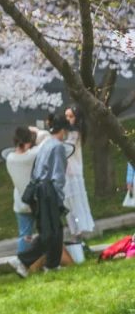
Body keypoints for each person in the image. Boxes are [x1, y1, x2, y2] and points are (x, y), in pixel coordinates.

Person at [13, 116, 70, 277]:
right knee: (49, 231)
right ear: (63, 130)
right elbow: (58, 175)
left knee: (55, 229)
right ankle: (23, 260)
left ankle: (52, 265)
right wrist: (59, 197)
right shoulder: (58, 147)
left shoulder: (46, 145)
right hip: (49, 190)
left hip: (39, 189)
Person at [1, 126, 47, 254]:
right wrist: (37, 131)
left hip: (20, 202)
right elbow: (48, 140)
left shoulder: (9, 158)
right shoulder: (33, 155)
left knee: (24, 235)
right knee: (45, 232)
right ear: (29, 141)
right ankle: (45, 262)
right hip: (38, 201)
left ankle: (23, 263)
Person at [62, 106, 95, 237]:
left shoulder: (75, 133)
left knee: (75, 201)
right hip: (67, 171)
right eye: (66, 116)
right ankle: (75, 230)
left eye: (71, 116)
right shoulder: (67, 133)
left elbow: (66, 148)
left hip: (73, 171)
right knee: (69, 202)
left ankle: (80, 230)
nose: (68, 119)